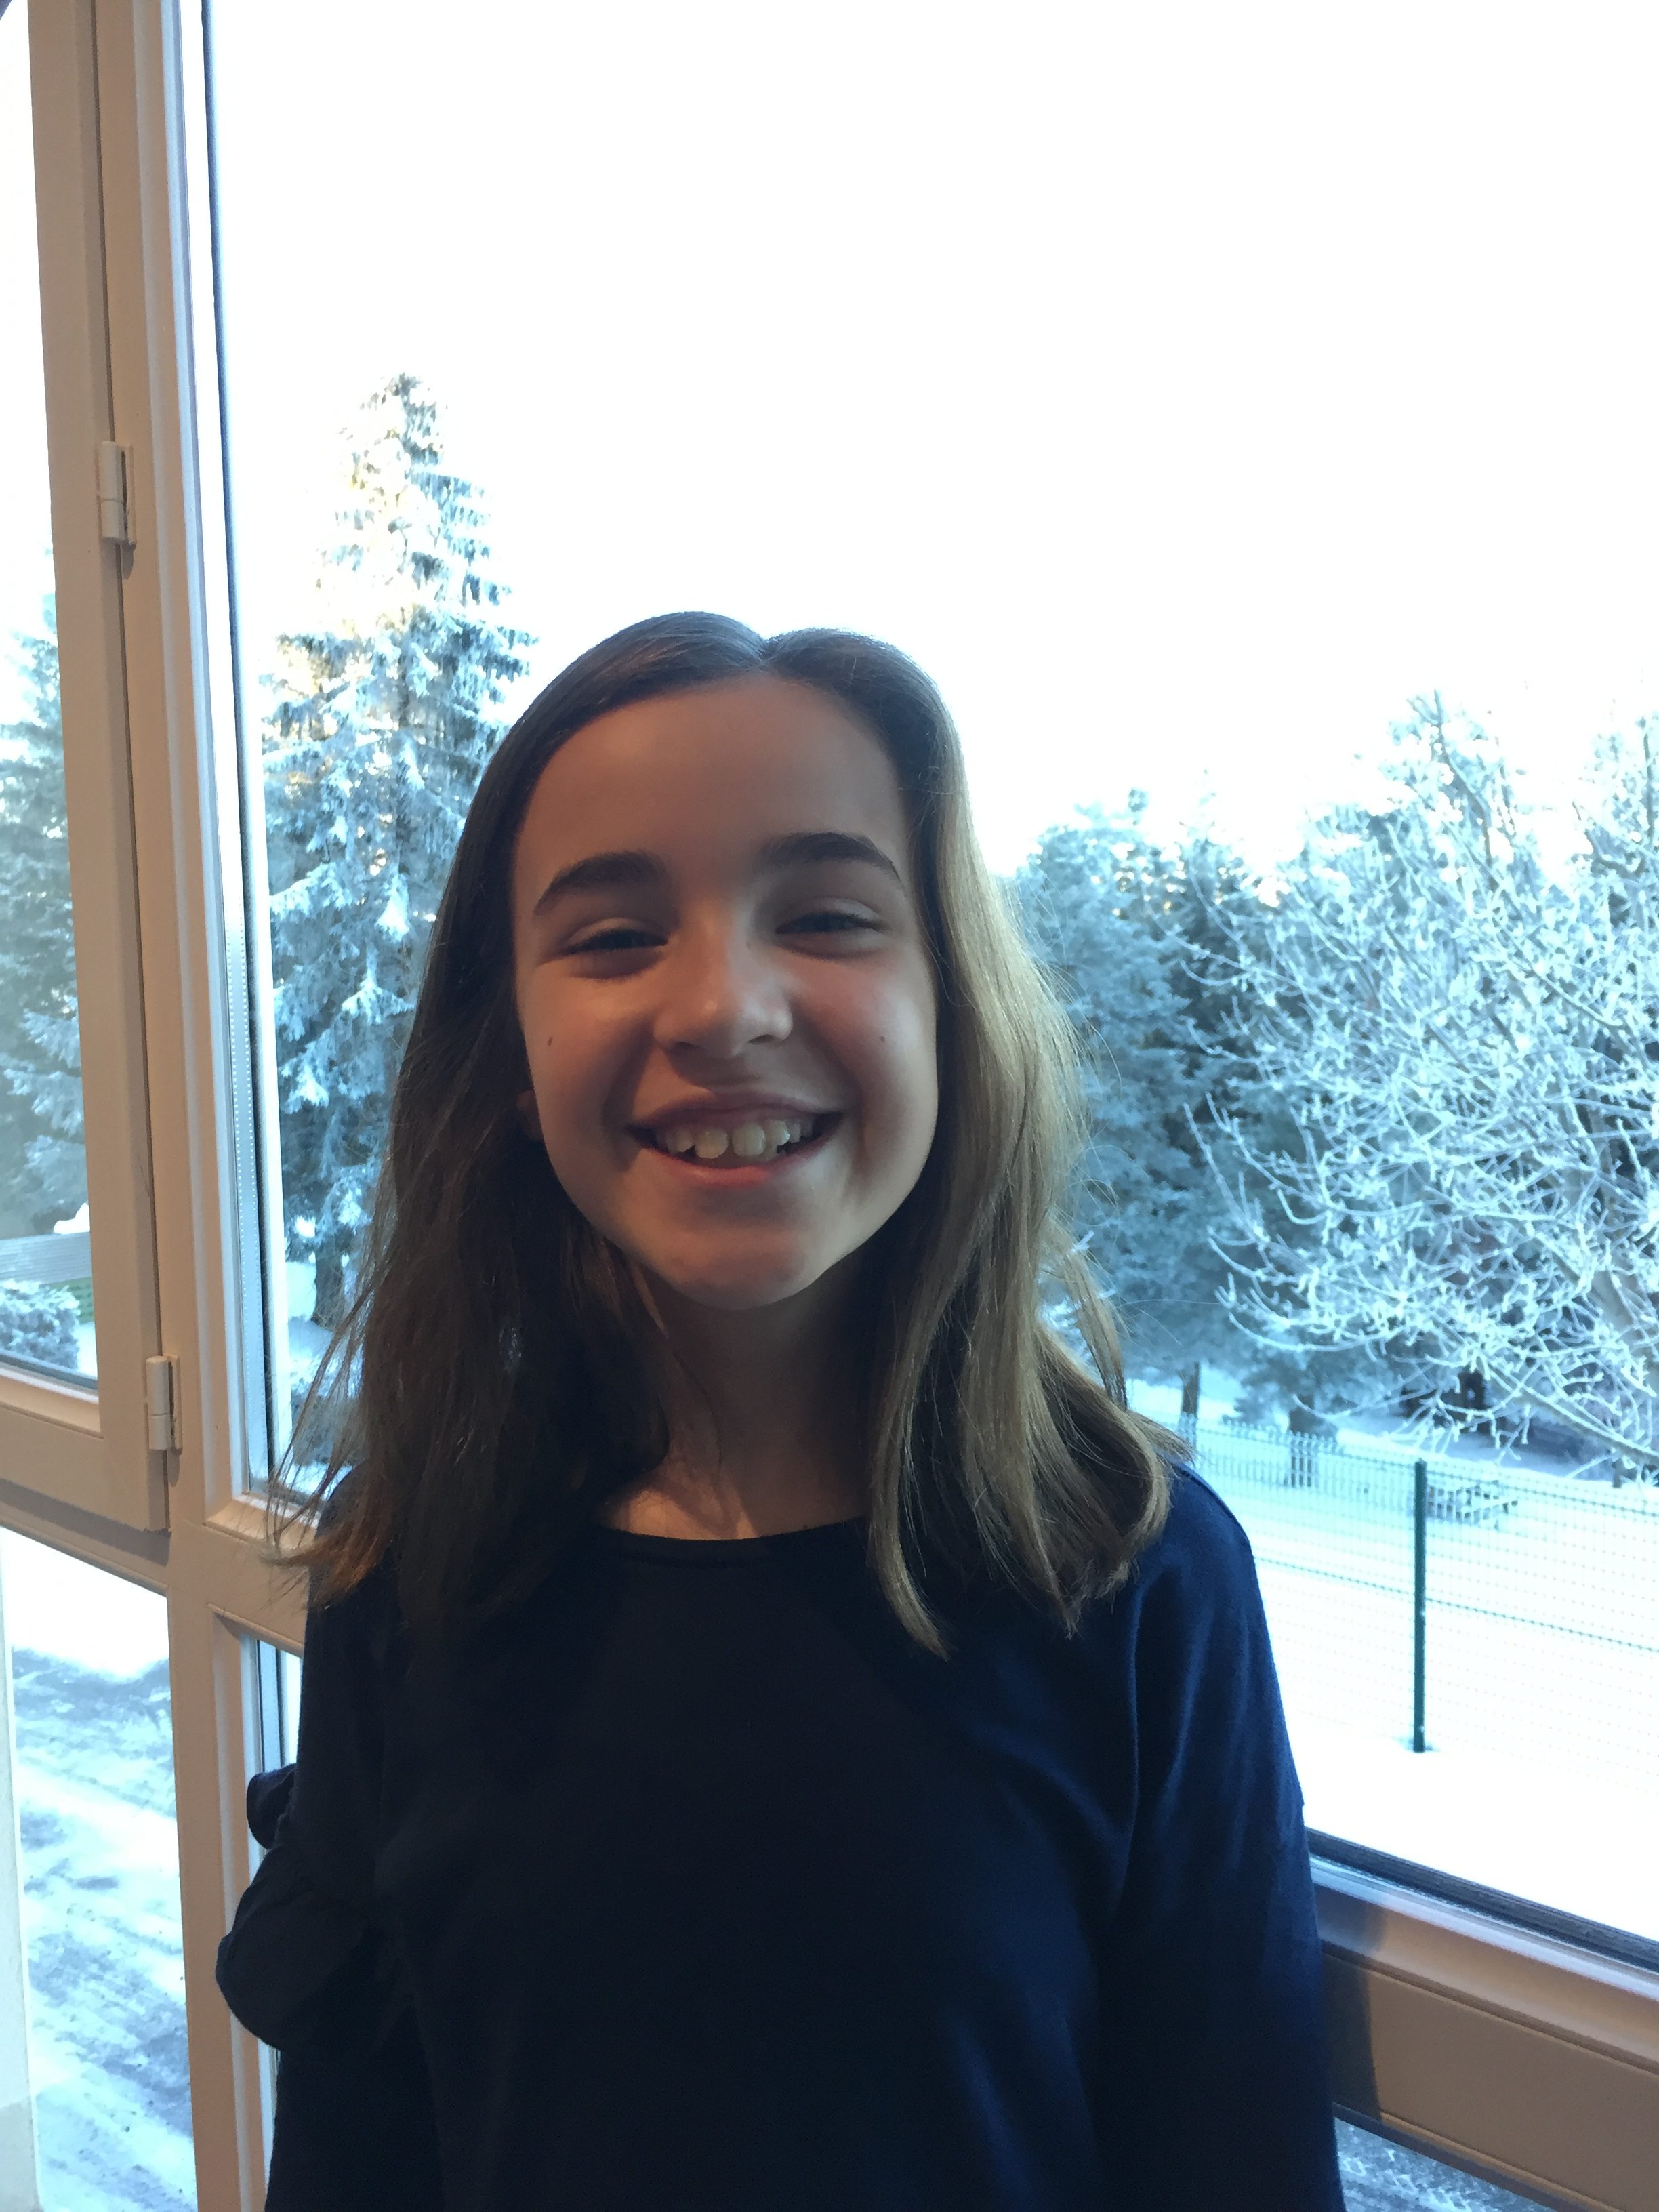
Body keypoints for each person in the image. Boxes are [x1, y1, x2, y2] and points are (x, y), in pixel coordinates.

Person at [218, 613, 1346, 2211]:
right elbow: (355, 2162)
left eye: (825, 916)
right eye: (615, 937)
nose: (725, 1008)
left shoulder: (1137, 1584)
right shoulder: (416, 1564)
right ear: (509, 1051)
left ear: (953, 1006)